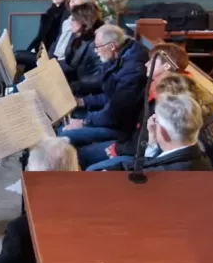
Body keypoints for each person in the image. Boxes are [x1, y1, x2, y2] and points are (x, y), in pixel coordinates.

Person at [79, 41, 189, 169]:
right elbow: (125, 112)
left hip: (143, 153)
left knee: (91, 167)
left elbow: (150, 138)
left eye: (152, 61)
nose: (147, 64)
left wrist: (118, 149)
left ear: (167, 66)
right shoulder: (152, 85)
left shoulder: (170, 98)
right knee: (82, 152)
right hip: (129, 138)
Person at [63, 25, 149, 165]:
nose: (95, 51)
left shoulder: (133, 70)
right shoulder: (119, 57)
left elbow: (115, 113)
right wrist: (82, 101)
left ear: (112, 46)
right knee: (67, 121)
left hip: (122, 128)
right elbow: (110, 96)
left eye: (97, 46)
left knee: (64, 135)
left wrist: (85, 122)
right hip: (111, 117)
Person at [129, 93, 212, 172]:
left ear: (162, 132)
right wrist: (153, 139)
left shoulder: (153, 175)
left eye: (156, 120)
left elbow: (135, 170)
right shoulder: (205, 161)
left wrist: (151, 143)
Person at [16, 0, 69, 71]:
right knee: (15, 56)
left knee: (17, 55)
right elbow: (40, 37)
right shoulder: (50, 12)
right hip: (42, 52)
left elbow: (56, 40)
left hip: (51, 56)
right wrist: (33, 49)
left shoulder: (66, 14)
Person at [60, 2, 102, 84]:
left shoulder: (96, 42)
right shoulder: (76, 36)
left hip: (83, 88)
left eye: (73, 19)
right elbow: (69, 63)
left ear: (83, 21)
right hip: (70, 80)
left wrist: (77, 84)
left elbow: (99, 76)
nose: (70, 22)